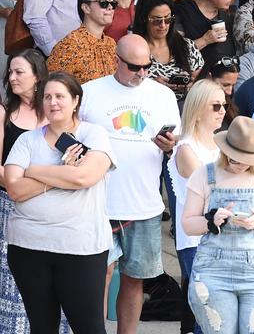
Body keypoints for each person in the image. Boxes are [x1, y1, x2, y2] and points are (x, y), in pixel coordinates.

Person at [79, 34, 180, 334]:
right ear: (116, 60)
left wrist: (169, 146)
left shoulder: (162, 96)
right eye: (134, 67)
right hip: (98, 202)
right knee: (99, 276)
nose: (141, 73)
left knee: (136, 278)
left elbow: (177, 145)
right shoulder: (89, 92)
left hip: (144, 204)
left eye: (146, 67)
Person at [3, 70, 115, 334]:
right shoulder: (27, 140)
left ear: (76, 100)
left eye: (60, 96)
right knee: (41, 328)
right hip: (29, 247)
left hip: (80, 248)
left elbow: (84, 176)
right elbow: (15, 189)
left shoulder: (93, 134)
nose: (53, 102)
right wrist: (60, 172)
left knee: (89, 328)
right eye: (48, 97)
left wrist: (32, 170)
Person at [180, 115, 254, 334]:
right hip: (212, 270)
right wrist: (211, 220)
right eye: (235, 159)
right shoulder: (204, 174)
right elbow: (188, 224)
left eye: (247, 160)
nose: (240, 165)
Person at [0, 49, 47, 334]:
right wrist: (16, 184)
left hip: (47, 204)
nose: (12, 77)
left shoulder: (53, 112)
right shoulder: (3, 112)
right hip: (9, 204)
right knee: (9, 277)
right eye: (10, 72)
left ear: (38, 76)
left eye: (19, 72)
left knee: (45, 275)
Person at [168, 79, 224, 334]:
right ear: (198, 108)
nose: (223, 110)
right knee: (207, 311)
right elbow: (211, 193)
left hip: (223, 236)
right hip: (195, 241)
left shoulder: (222, 145)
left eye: (223, 104)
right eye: (215, 106)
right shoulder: (186, 149)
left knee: (217, 312)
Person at [133, 0, 203, 100]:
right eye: (157, 20)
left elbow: (204, 82)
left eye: (168, 19)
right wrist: (150, 85)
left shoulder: (187, 46)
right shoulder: (132, 49)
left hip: (185, 108)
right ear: (144, 19)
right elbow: (125, 85)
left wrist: (194, 84)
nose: (163, 25)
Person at [47, 0, 117, 83]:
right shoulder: (69, 46)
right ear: (86, 8)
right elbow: (52, 86)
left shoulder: (111, 44)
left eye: (113, 3)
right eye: (103, 3)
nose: (110, 7)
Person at [174, 0, 239, 67]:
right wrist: (205, 40)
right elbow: (175, 52)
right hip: (193, 76)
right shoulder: (184, 11)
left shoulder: (226, 14)